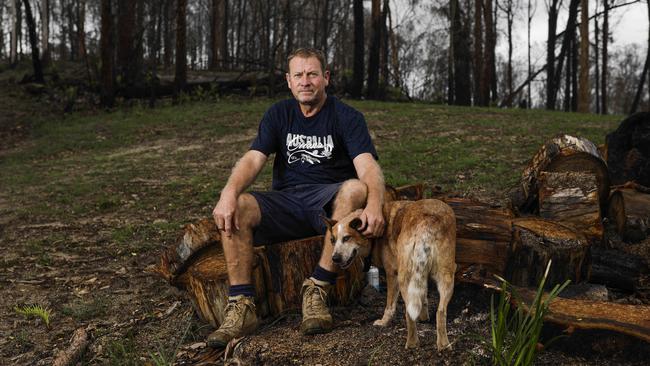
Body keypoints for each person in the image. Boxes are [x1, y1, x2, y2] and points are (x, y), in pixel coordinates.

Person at [208, 48, 385, 348]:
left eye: (312, 74)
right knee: (238, 205)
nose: (306, 81)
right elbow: (253, 160)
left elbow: (368, 167)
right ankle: (242, 306)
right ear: (289, 81)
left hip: (329, 205)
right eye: (299, 75)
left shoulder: (347, 117)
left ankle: (317, 288)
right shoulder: (278, 113)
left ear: (325, 78)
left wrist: (375, 205)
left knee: (355, 188)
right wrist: (228, 192)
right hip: (286, 201)